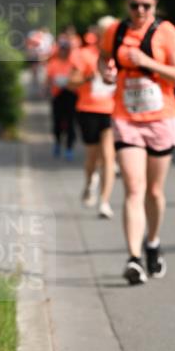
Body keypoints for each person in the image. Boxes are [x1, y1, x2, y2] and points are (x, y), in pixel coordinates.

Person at [99, 0, 175, 285]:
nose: (140, 11)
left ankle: (152, 242)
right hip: (127, 118)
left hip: (161, 119)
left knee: (154, 191)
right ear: (127, 4)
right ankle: (134, 258)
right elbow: (103, 58)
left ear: (155, 5)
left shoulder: (167, 33)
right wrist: (106, 72)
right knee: (133, 188)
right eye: (134, 5)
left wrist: (147, 62)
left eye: (146, 6)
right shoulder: (115, 31)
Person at [69, 19, 117, 218]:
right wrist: (90, 77)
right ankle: (90, 181)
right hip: (88, 109)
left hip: (112, 111)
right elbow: (72, 82)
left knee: (108, 156)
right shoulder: (85, 54)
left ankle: (104, 202)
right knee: (92, 157)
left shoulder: (119, 55)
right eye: (105, 33)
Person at [46, 36, 77, 159]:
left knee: (70, 123)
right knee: (57, 122)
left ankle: (69, 147)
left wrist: (70, 82)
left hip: (71, 95)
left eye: (66, 49)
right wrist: (48, 88)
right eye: (62, 49)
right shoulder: (53, 63)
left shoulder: (73, 63)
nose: (64, 51)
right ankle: (57, 143)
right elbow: (48, 79)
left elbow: (79, 78)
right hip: (57, 95)